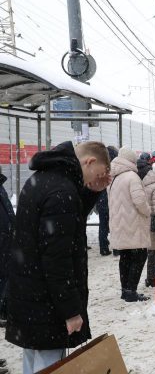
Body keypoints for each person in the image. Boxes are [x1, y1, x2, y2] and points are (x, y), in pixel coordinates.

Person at [5, 141, 111, 373]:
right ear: (89, 161)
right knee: (50, 365)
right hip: (48, 304)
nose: (97, 178)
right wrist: (71, 312)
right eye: (99, 172)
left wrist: (94, 191)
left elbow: (66, 222)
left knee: (33, 361)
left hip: (30, 296)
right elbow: (57, 260)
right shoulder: (62, 191)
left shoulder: (42, 180)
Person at [108, 147, 151, 303]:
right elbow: (140, 201)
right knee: (139, 256)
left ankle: (125, 290)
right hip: (134, 224)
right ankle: (131, 291)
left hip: (120, 225)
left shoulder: (114, 177)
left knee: (125, 258)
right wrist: (148, 211)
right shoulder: (132, 177)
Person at [95, 146, 118, 256]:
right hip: (112, 199)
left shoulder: (99, 167)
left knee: (103, 225)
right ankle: (117, 248)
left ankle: (103, 248)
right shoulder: (115, 168)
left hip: (101, 199)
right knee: (114, 224)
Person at [0, 166, 15, 328]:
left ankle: (4, 310)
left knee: (6, 276)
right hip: (3, 239)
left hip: (6, 239)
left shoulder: (1, 186)